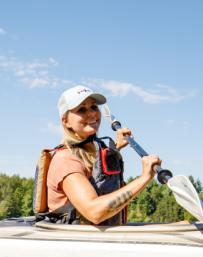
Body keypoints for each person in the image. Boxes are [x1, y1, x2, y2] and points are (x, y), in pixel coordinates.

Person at [44, 85, 162, 226]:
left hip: (102, 237)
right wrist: (145, 178)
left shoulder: (89, 153)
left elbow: (97, 176)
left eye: (94, 107)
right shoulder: (66, 160)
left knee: (184, 223)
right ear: (66, 122)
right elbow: (94, 212)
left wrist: (116, 148)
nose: (92, 113)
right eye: (81, 109)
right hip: (79, 242)